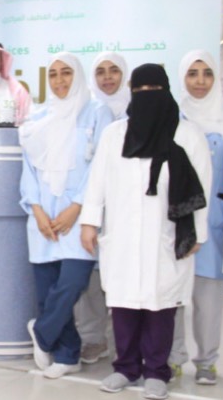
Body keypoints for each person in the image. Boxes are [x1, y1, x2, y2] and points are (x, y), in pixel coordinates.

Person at [79, 64, 211, 400]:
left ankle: (156, 371)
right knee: (123, 303)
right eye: (140, 91)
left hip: (166, 233)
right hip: (122, 232)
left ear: (166, 92)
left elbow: (203, 187)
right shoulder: (115, 134)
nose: (147, 97)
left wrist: (197, 233)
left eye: (154, 91)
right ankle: (125, 367)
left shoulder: (187, 134)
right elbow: (97, 182)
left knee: (160, 305)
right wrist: (89, 222)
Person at [20, 53, 114, 379]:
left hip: (79, 216)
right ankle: (67, 355)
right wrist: (36, 209)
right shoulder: (38, 117)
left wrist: (77, 208)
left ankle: (42, 331)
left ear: (78, 76)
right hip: (43, 218)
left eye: (67, 73)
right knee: (47, 291)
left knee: (72, 283)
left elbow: (101, 167)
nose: (60, 81)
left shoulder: (98, 113)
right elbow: (28, 168)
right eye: (54, 74)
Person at [168, 50, 223, 385]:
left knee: (209, 300)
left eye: (207, 73)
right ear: (182, 78)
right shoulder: (173, 120)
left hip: (215, 223)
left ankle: (207, 361)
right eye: (192, 74)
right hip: (178, 222)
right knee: (173, 295)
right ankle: (173, 357)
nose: (200, 81)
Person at [74, 51, 129, 364]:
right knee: (91, 280)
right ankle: (93, 339)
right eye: (101, 72)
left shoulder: (136, 110)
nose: (107, 77)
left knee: (122, 279)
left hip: (124, 207)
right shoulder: (87, 110)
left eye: (114, 71)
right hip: (93, 205)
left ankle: (122, 342)